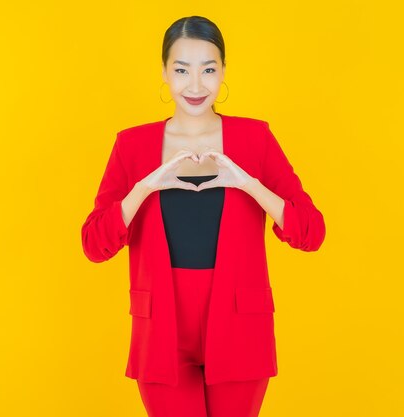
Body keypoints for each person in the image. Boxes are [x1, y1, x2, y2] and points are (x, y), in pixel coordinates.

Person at [81, 15, 326, 417]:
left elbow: (310, 233)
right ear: (164, 73)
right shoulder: (132, 145)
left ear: (224, 71)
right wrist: (145, 186)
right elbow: (94, 244)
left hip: (239, 323)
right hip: (161, 326)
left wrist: (247, 183)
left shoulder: (255, 138)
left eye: (208, 69)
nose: (195, 86)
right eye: (181, 70)